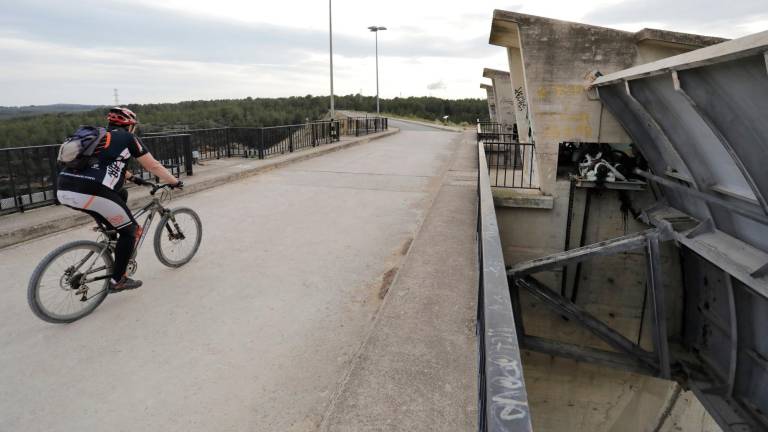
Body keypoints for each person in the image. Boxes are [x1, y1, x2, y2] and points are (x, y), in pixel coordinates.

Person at [56, 107, 182, 292]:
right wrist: (174, 181)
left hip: (64, 189)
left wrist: (134, 179)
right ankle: (118, 280)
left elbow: (104, 166)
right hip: (92, 192)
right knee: (131, 230)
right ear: (130, 126)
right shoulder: (128, 138)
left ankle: (111, 236)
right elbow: (153, 165)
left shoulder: (99, 138)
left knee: (120, 194)